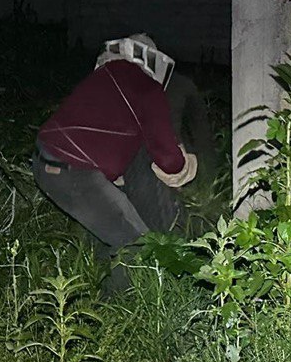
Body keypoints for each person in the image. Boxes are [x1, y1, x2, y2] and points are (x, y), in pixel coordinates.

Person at [33, 34, 198, 261]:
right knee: (139, 245)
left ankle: (95, 282)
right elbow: (169, 159)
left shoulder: (102, 76)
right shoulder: (146, 86)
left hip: (43, 162)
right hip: (75, 173)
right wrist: (187, 164)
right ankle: (125, 296)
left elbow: (95, 133)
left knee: (110, 227)